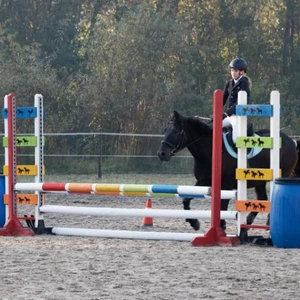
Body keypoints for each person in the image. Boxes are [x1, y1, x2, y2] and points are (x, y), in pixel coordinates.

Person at [222, 57, 252, 143]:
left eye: (235, 71)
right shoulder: (229, 83)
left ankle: (238, 155)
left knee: (235, 139)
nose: (233, 73)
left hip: (239, 115)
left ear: (241, 72)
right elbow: (223, 99)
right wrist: (216, 115)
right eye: (232, 71)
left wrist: (226, 113)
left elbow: (240, 102)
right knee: (213, 127)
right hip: (229, 116)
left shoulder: (244, 83)